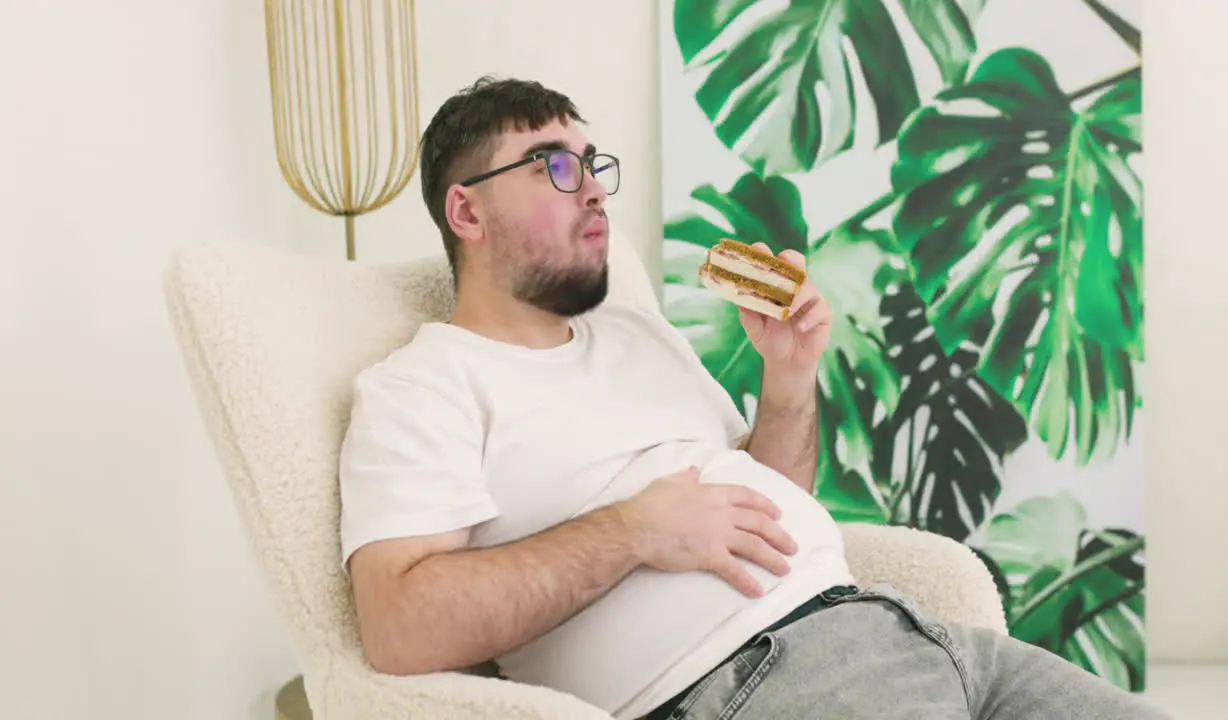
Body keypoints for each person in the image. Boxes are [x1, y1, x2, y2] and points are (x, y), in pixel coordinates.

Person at [337, 76, 1169, 720]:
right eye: (557, 165)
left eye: (594, 166)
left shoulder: (636, 334)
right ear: (466, 210)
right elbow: (399, 628)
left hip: (921, 638)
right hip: (754, 682)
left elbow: (767, 500)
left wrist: (789, 378)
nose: (593, 188)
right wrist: (633, 531)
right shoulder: (424, 386)